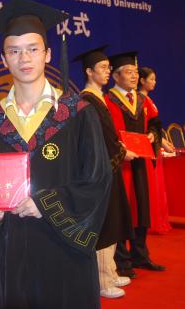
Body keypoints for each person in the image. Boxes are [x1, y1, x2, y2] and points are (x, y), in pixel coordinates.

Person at [0, 0, 112, 309]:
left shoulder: (78, 113)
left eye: (33, 49)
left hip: (65, 248)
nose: (24, 58)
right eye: (14, 51)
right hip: (14, 247)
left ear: (48, 54)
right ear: (3, 60)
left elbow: (99, 181)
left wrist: (47, 204)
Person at [74, 45, 134, 299]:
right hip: (100, 170)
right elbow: (99, 137)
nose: (108, 71)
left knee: (113, 220)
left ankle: (110, 270)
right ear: (89, 72)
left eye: (109, 67)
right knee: (105, 223)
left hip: (110, 167)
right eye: (102, 68)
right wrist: (122, 151)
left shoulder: (99, 98)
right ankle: (102, 280)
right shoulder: (87, 100)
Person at [104, 51, 165, 279]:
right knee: (124, 209)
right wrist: (120, 151)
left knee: (141, 207)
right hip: (121, 165)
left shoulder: (142, 100)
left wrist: (152, 135)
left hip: (141, 163)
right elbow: (106, 134)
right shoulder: (108, 101)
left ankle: (140, 254)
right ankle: (122, 260)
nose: (134, 76)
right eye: (128, 72)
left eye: (136, 72)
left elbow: (156, 123)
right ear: (116, 76)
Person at [138, 66, 172, 234]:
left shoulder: (148, 99)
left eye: (155, 79)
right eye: (151, 79)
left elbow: (154, 125)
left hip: (154, 144)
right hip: (148, 147)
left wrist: (162, 140)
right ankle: (153, 221)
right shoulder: (140, 100)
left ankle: (159, 219)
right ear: (142, 81)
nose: (154, 82)